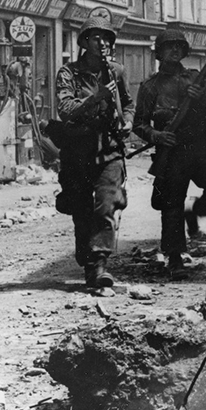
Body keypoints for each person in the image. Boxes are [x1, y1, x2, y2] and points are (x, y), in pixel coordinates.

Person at [134, 29, 206, 280]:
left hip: (200, 145)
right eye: (169, 47)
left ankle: (194, 213)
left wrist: (203, 97)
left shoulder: (197, 78)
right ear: (159, 52)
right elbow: (139, 124)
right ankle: (174, 258)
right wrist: (157, 136)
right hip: (172, 149)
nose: (175, 51)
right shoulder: (150, 87)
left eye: (179, 46)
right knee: (171, 204)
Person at [54, 16, 134, 290]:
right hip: (78, 150)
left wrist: (129, 123)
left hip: (109, 149)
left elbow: (130, 104)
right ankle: (88, 259)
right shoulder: (69, 73)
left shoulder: (116, 72)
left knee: (106, 205)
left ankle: (99, 264)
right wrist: (95, 98)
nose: (102, 43)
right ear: (84, 42)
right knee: (81, 210)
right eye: (96, 38)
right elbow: (65, 109)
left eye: (107, 38)